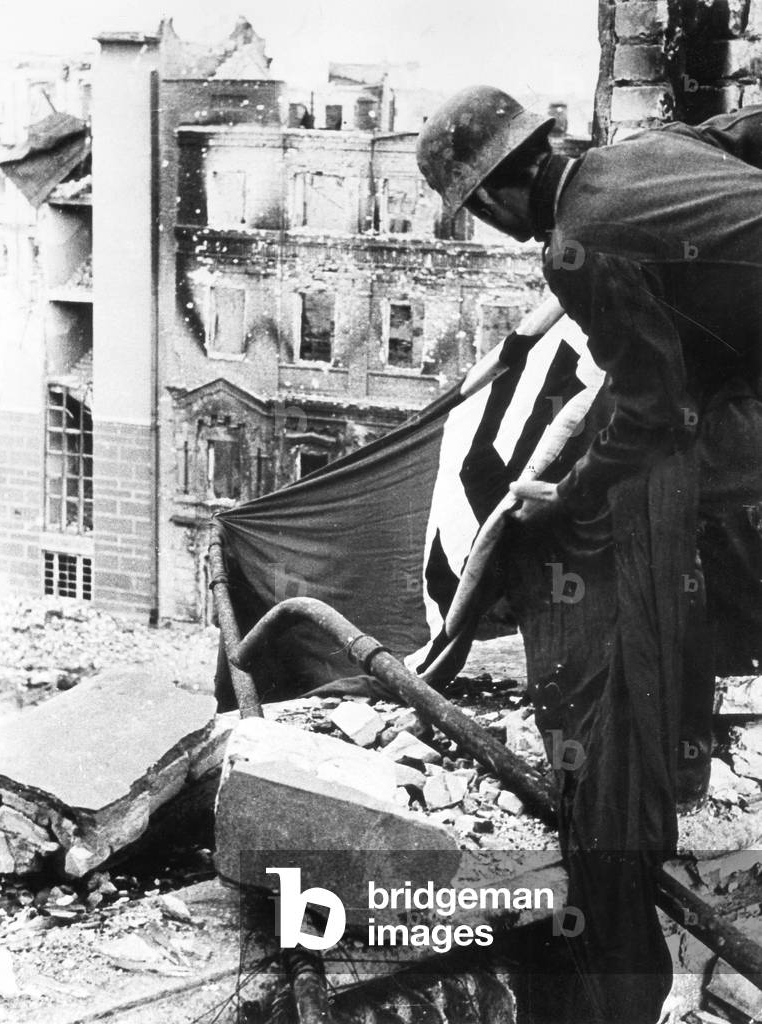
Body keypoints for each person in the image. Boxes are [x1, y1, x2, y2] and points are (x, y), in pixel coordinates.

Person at [416, 87, 762, 1024]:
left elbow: (650, 411)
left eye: (478, 214)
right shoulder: (655, 148)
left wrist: (560, 498)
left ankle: (662, 729)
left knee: (661, 496)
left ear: (494, 195)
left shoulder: (578, 243)